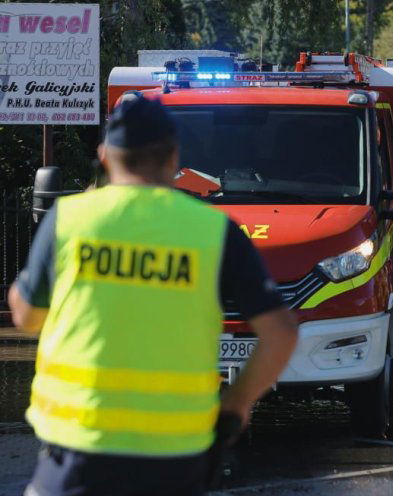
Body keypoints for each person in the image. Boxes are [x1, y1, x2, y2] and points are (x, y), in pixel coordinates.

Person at [8, 96, 299, 495]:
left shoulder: (71, 218)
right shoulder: (214, 231)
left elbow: (27, 317)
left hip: (78, 448)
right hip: (177, 456)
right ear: (173, 157)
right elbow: (281, 334)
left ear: (105, 156)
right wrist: (236, 402)